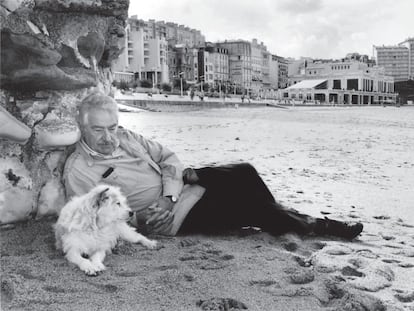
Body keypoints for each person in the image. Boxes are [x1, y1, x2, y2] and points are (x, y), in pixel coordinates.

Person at [64, 92, 363, 239]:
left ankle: (283, 216)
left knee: (245, 171)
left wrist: (169, 195)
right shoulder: (79, 171)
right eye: (98, 130)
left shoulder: (126, 137)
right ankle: (322, 226)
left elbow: (168, 158)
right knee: (253, 209)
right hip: (173, 219)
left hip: (182, 188)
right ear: (82, 126)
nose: (108, 137)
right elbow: (92, 222)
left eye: (112, 127)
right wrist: (142, 219)